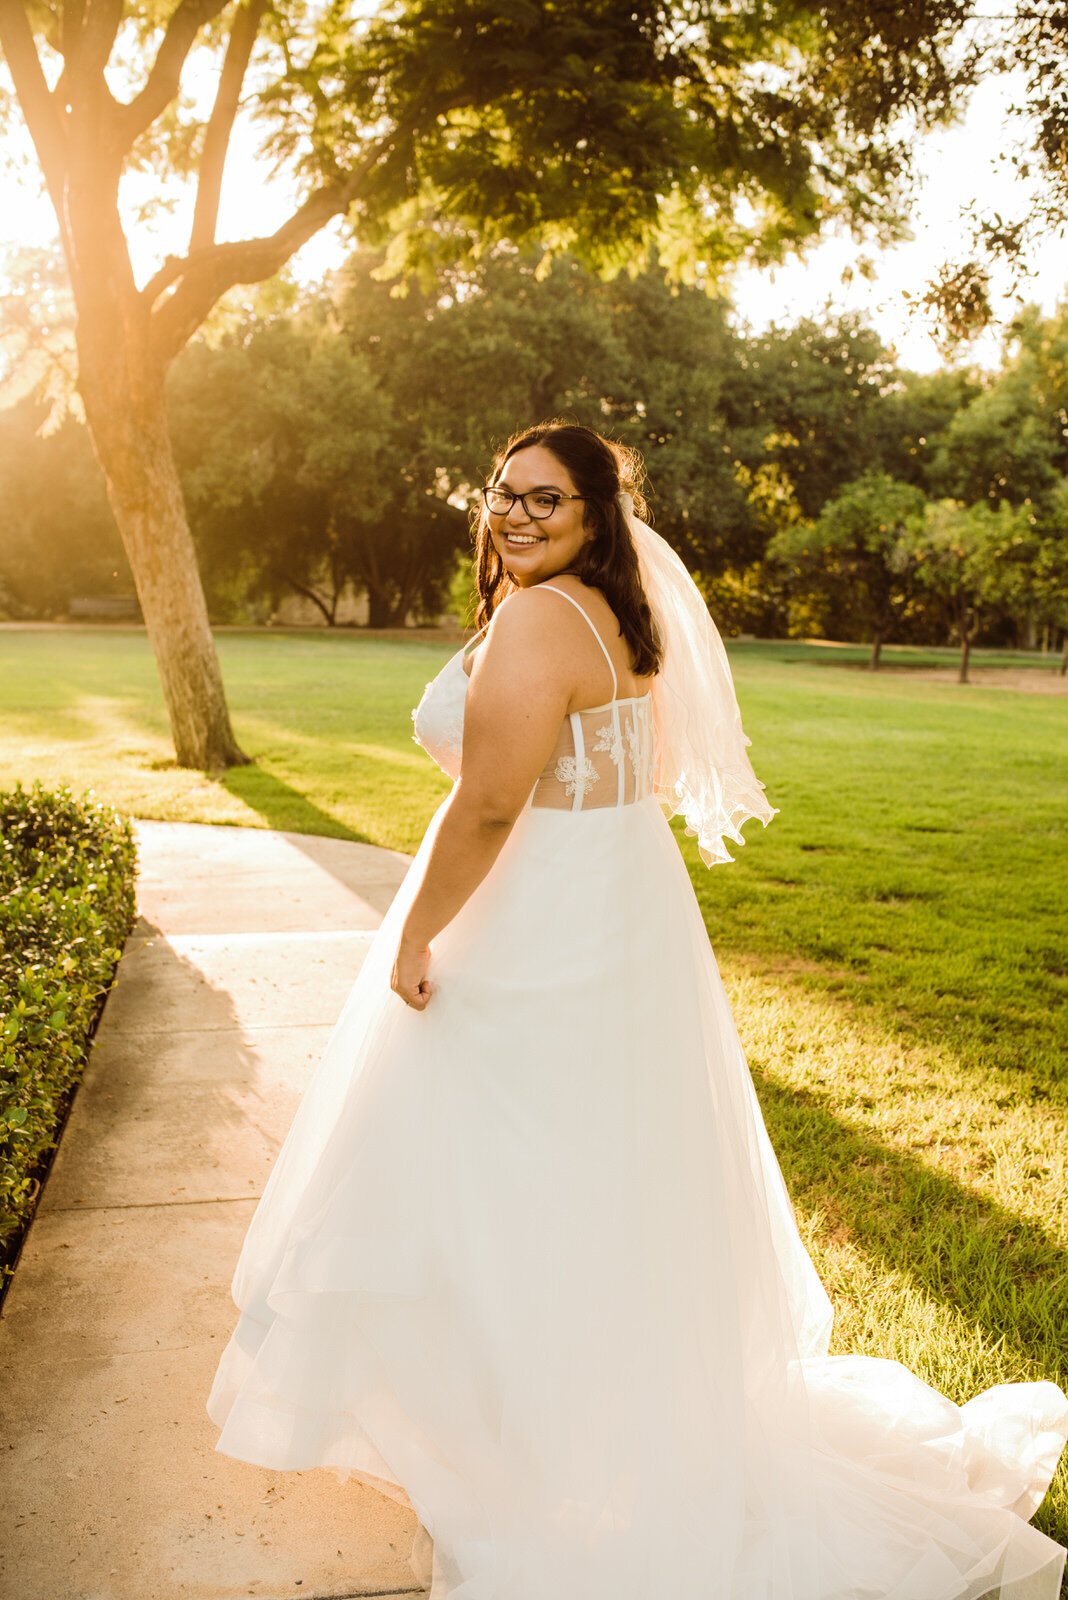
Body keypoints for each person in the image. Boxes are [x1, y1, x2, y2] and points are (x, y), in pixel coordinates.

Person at [208, 421, 1068, 1600]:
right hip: (612, 905)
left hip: (532, 922)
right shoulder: (622, 617)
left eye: (544, 499)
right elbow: (603, 772)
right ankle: (584, 1433)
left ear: (599, 511)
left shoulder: (536, 617)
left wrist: (414, 935)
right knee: (588, 1180)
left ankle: (529, 1459)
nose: (513, 515)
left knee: (488, 1184)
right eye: (502, 494)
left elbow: (496, 803)